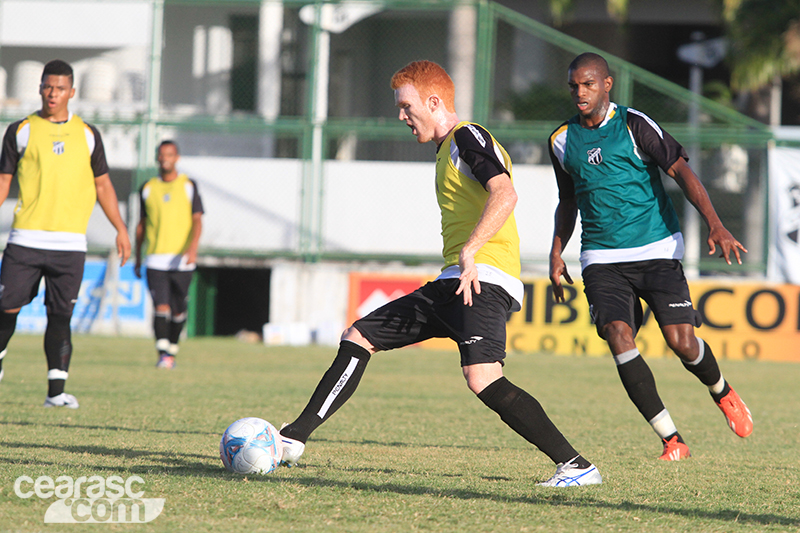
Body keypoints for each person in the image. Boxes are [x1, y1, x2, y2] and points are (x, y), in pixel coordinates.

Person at [277, 60, 602, 487]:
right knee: (359, 336)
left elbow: (506, 193)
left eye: (407, 106)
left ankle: (577, 466)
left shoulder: (468, 136)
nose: (401, 117)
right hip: (452, 282)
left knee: (483, 377)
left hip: (482, 277)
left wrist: (470, 251)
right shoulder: (445, 149)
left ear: (434, 102)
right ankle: (293, 438)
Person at [548, 52, 753, 461]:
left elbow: (681, 172)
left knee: (682, 342)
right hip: (602, 258)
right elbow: (567, 200)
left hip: (657, 250)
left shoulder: (634, 124)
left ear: (607, 84)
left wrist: (715, 222)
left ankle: (723, 392)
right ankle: (671, 439)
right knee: (618, 336)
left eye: (588, 84)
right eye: (574, 85)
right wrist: (557, 253)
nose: (580, 92)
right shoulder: (562, 140)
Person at [0, 59, 130, 408]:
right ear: (39, 88)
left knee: (60, 317)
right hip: (25, 240)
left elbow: (103, 185)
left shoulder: (88, 135)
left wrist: (121, 228)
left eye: (59, 88)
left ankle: (56, 393)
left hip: (69, 244)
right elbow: (3, 182)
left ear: (72, 92)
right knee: (5, 308)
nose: (52, 94)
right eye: (47, 87)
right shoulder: (21, 130)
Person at [134, 140, 203, 369]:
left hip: (181, 260)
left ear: (177, 158)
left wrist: (192, 248)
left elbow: (197, 220)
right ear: (157, 157)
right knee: (160, 307)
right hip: (155, 258)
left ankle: (172, 348)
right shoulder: (147, 188)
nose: (165, 158)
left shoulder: (188, 185)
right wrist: (137, 257)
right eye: (162, 155)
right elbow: (141, 225)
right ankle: (163, 353)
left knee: (178, 309)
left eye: (170, 154)